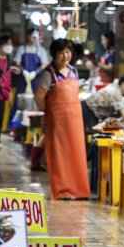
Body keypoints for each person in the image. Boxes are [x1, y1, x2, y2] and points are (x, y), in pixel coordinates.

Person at [33, 39, 90, 200]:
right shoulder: (48, 73)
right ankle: (63, 190)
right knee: (59, 155)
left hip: (75, 121)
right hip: (57, 121)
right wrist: (49, 111)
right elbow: (39, 97)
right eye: (61, 53)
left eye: (67, 52)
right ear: (54, 55)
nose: (65, 56)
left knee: (76, 154)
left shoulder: (73, 71)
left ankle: (79, 190)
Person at [14, 28, 50, 93]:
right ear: (28, 35)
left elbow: (44, 64)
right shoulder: (21, 48)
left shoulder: (41, 50)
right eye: (32, 35)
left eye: (36, 35)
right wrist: (24, 71)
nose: (34, 37)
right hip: (23, 79)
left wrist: (35, 72)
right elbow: (17, 62)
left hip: (36, 80)